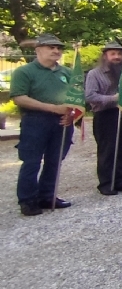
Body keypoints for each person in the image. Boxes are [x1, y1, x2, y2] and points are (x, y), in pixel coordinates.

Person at [11, 33, 79, 216]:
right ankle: (28, 200)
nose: (56, 51)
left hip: (62, 122)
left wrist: (72, 114)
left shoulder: (67, 72)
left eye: (58, 48)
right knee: (31, 162)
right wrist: (53, 108)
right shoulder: (24, 72)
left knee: (55, 160)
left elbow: (76, 98)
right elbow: (19, 98)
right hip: (35, 121)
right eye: (51, 47)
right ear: (38, 50)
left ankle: (48, 196)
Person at [85, 41, 122, 195]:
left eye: (120, 54)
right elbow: (90, 95)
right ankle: (106, 184)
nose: (117, 57)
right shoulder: (94, 74)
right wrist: (114, 98)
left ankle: (120, 181)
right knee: (107, 150)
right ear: (105, 56)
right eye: (113, 54)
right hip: (105, 116)